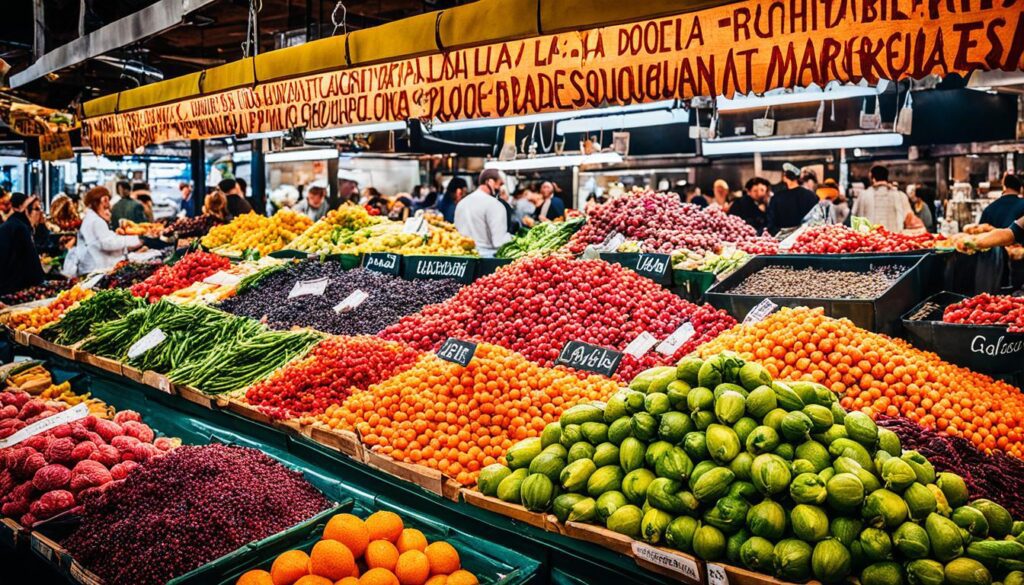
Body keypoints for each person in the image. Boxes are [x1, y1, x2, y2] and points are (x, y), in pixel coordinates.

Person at [63, 187, 143, 276]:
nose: (108, 206)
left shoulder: (92, 218)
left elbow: (105, 239)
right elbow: (108, 243)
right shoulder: (95, 221)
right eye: (105, 201)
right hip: (94, 269)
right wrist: (139, 239)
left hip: (92, 267)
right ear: (96, 202)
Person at [454, 169, 513, 258]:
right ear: (490, 181)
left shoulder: (461, 203)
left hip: (463, 256)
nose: (500, 189)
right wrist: (512, 238)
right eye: (500, 184)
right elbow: (499, 242)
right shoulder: (495, 204)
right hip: (487, 258)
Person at [0, 193, 46, 295]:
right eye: (37, 209)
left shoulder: (11, 224)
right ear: (26, 211)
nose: (41, 213)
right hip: (13, 291)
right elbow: (33, 268)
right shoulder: (21, 228)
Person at [850, 165, 916, 233]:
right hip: (894, 240)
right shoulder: (900, 196)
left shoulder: (863, 196)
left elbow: (855, 217)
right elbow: (910, 219)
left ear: (873, 179)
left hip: (869, 240)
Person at [766, 163, 819, 235]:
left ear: (784, 177)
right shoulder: (810, 195)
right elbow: (816, 219)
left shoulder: (777, 197)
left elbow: (771, 222)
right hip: (805, 237)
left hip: (782, 238)